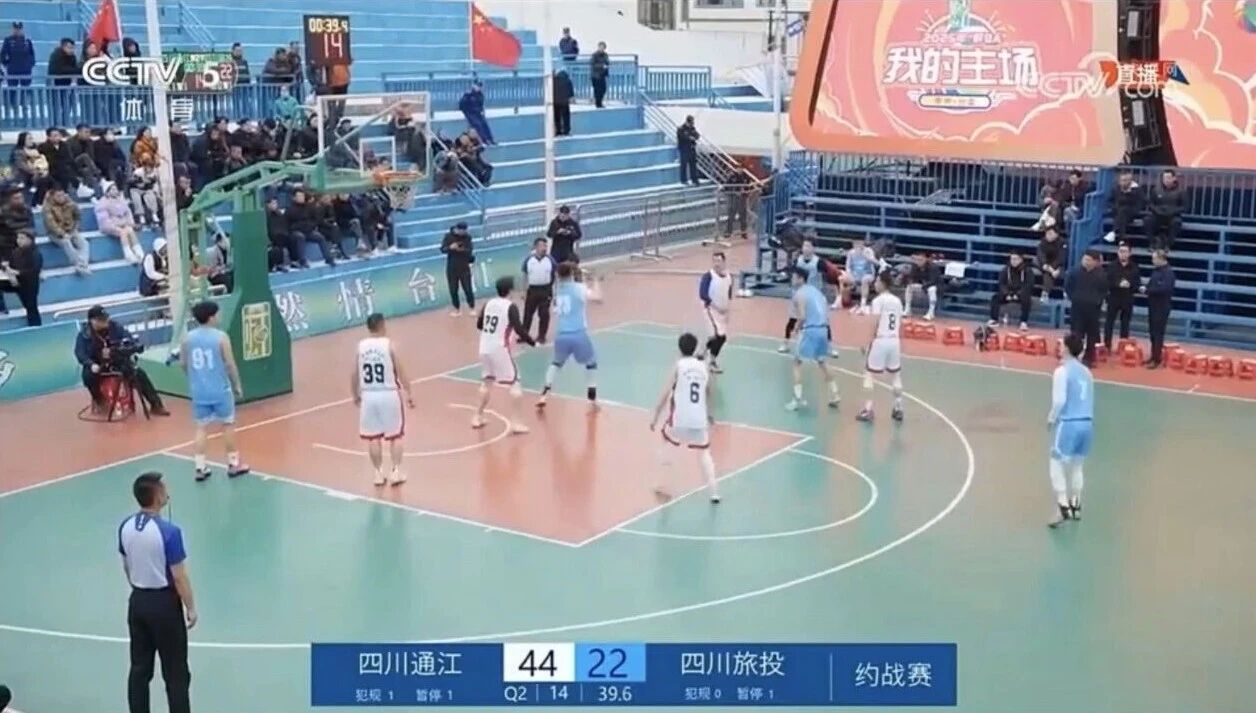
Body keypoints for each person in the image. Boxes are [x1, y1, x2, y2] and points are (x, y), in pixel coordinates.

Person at [119, 472, 195, 713]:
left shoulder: (125, 526)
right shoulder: (169, 532)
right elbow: (179, 576)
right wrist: (190, 607)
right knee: (176, 672)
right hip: (164, 605)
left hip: (138, 601)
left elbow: (126, 565)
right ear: (158, 495)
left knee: (139, 669)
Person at [177, 300, 249, 481]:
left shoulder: (187, 338)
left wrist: (194, 378)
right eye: (217, 313)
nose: (219, 316)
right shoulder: (221, 337)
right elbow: (230, 364)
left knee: (201, 427)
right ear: (211, 317)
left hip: (199, 391)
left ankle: (200, 467)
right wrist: (237, 384)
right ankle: (233, 464)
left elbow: (183, 363)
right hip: (220, 390)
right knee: (228, 424)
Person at [649, 332, 720, 503]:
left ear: (679, 348)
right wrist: (710, 414)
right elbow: (709, 392)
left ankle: (663, 485)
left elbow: (666, 392)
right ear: (695, 348)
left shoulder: (679, 366)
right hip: (699, 420)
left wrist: (655, 415)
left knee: (667, 445)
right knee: (704, 454)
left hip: (679, 419)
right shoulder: (703, 367)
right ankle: (714, 492)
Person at [352, 313, 415, 486]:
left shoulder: (361, 347)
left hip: (369, 395)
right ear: (381, 325)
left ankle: (378, 473)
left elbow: (354, 374)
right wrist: (409, 392)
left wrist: (355, 394)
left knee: (373, 437)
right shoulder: (388, 345)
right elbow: (400, 371)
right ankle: (395, 471)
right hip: (388, 393)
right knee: (395, 435)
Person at [76, 305, 169, 415]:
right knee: (88, 376)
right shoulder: (84, 335)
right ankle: (100, 401)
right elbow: (80, 353)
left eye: (106, 318)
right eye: (101, 319)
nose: (106, 321)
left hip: (116, 360)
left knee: (138, 373)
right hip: (96, 363)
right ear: (92, 321)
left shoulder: (115, 327)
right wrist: (91, 364)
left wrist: (128, 346)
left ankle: (156, 405)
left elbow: (129, 339)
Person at [537, 262, 602, 410]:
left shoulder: (557, 290)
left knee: (556, 363)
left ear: (558, 275)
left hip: (561, 335)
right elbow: (597, 298)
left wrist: (581, 279)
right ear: (572, 273)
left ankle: (544, 393)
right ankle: (592, 399)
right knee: (591, 363)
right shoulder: (579, 288)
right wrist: (595, 280)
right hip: (578, 333)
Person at [474, 276, 535, 433]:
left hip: (484, 347)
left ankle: (477, 416)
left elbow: (480, 325)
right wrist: (532, 342)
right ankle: (515, 423)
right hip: (500, 349)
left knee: (487, 381)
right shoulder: (510, 307)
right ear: (510, 290)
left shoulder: (489, 303)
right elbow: (519, 328)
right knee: (515, 383)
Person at [1046, 333, 1094, 528]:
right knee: (1077, 465)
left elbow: (1059, 400)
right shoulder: (1087, 373)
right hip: (1087, 423)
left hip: (1069, 423)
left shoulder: (1061, 372)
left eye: (1061, 344)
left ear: (1066, 348)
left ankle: (1062, 505)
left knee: (1055, 463)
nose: (1059, 347)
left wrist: (1051, 418)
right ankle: (1076, 503)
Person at [785, 267, 841, 411]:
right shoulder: (817, 292)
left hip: (811, 330)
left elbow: (802, 316)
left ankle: (797, 399)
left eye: (794, 276)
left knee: (797, 363)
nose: (792, 279)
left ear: (800, 278)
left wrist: (796, 328)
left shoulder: (799, 294)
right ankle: (834, 393)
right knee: (822, 361)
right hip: (823, 329)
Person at [857, 272, 905, 423]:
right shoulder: (897, 301)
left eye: (877, 281)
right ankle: (898, 407)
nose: (875, 284)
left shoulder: (878, 301)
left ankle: (868, 409)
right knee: (896, 375)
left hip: (880, 340)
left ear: (883, 283)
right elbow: (901, 323)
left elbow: (874, 323)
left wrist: (866, 343)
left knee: (869, 374)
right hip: (894, 340)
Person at [1064, 250, 1108, 366]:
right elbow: (1068, 286)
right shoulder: (1075, 272)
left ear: (1095, 262)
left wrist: (1098, 301)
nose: (1086, 261)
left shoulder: (1101, 274)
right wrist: (1074, 297)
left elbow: (1104, 290)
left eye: (1089, 260)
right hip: (1077, 306)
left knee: (1092, 334)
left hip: (1093, 308)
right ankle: (1073, 356)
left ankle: (1089, 358)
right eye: (1084, 259)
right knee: (1076, 333)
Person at [697, 251, 733, 373]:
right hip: (711, 310)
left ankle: (703, 350)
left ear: (724, 262)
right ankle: (711, 361)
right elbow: (703, 294)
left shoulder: (729, 277)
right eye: (714, 261)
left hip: (723, 312)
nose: (716, 263)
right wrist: (716, 306)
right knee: (719, 336)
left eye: (719, 261)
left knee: (719, 337)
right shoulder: (708, 276)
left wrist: (727, 310)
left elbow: (728, 295)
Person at [1103, 242, 1141, 349]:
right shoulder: (1111, 266)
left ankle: (1123, 347)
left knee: (1125, 324)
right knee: (1109, 322)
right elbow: (1107, 281)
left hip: (1127, 298)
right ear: (1118, 252)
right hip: (1114, 297)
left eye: (1125, 252)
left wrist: (1130, 285)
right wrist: (1118, 283)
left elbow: (1137, 283)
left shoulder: (1134, 267)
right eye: (1121, 251)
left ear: (1129, 253)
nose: (1123, 254)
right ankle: (1107, 346)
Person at [1142, 250, 1175, 368]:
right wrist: (1146, 288)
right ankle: (1153, 355)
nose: (1152, 261)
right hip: (1153, 305)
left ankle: (1157, 359)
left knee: (1158, 333)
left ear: (1161, 259)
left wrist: (1148, 290)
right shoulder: (1156, 271)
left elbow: (1165, 289)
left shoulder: (1169, 273)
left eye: (1154, 258)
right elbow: (1152, 284)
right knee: (1152, 332)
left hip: (1162, 307)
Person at [0, 231, 41, 326]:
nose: (19, 240)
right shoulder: (16, 252)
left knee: (31, 308)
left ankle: (36, 327)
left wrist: (18, 273)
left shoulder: (35, 254)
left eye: (22, 238)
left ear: (29, 240)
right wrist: (9, 272)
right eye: (18, 238)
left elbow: (34, 271)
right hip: (15, 282)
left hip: (29, 284)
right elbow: (9, 265)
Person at [521, 237, 557, 343]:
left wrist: (555, 291)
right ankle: (524, 335)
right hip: (532, 290)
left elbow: (555, 275)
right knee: (528, 313)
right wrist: (524, 291)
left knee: (544, 313)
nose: (544, 248)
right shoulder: (529, 260)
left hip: (546, 290)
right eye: (542, 246)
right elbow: (524, 275)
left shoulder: (550, 260)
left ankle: (542, 336)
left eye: (545, 246)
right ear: (536, 247)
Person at [988, 251, 1033, 330]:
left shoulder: (1027, 270)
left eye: (1015, 259)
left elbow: (1028, 285)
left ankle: (1023, 322)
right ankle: (994, 320)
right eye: (1012, 259)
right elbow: (1001, 283)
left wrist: (1018, 294)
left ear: (1021, 260)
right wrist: (1007, 294)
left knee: (1027, 300)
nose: (1013, 261)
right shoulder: (1006, 269)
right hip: (1008, 293)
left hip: (1021, 293)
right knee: (995, 298)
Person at [440, 221, 475, 316]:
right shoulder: (448, 236)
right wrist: (450, 248)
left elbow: (469, 250)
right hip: (452, 267)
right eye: (462, 231)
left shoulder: (468, 237)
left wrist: (460, 249)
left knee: (468, 288)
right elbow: (442, 249)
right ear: (457, 229)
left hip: (464, 267)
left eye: (465, 231)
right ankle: (456, 309)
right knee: (453, 289)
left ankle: (472, 307)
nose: (464, 232)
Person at [840, 237, 877, 314]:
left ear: (863, 243)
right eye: (855, 243)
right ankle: (842, 300)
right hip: (854, 274)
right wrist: (849, 274)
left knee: (864, 280)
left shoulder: (869, 251)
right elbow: (848, 267)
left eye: (859, 243)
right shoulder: (851, 252)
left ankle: (863, 303)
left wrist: (868, 257)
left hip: (868, 274)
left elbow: (875, 263)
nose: (857, 245)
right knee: (842, 278)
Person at [903, 252, 940, 321]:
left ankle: (931, 312)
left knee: (932, 289)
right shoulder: (915, 266)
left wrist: (924, 286)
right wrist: (909, 281)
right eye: (917, 260)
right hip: (922, 286)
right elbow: (912, 277)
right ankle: (907, 309)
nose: (919, 262)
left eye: (921, 260)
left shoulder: (933, 267)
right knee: (909, 287)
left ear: (926, 259)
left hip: (934, 287)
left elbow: (933, 281)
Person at [676, 115, 700, 185]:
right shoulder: (681, 129)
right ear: (687, 122)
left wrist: (694, 137)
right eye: (690, 123)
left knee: (693, 165)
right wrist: (690, 138)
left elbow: (697, 135)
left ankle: (694, 179)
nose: (691, 124)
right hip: (684, 149)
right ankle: (683, 180)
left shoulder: (692, 128)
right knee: (684, 165)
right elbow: (682, 137)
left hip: (692, 148)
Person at [553, 69, 574, 137]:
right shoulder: (568, 80)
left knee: (557, 117)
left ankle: (558, 131)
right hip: (564, 102)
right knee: (566, 117)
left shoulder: (554, 81)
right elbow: (570, 91)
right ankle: (566, 130)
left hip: (556, 102)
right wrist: (570, 97)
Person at [590, 42, 610, 108]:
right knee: (597, 90)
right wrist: (602, 66)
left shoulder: (605, 55)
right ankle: (598, 103)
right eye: (600, 47)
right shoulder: (594, 55)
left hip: (602, 75)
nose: (602, 48)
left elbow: (607, 62)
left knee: (603, 89)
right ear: (598, 47)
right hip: (595, 75)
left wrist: (607, 65)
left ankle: (599, 102)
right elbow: (593, 64)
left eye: (603, 47)